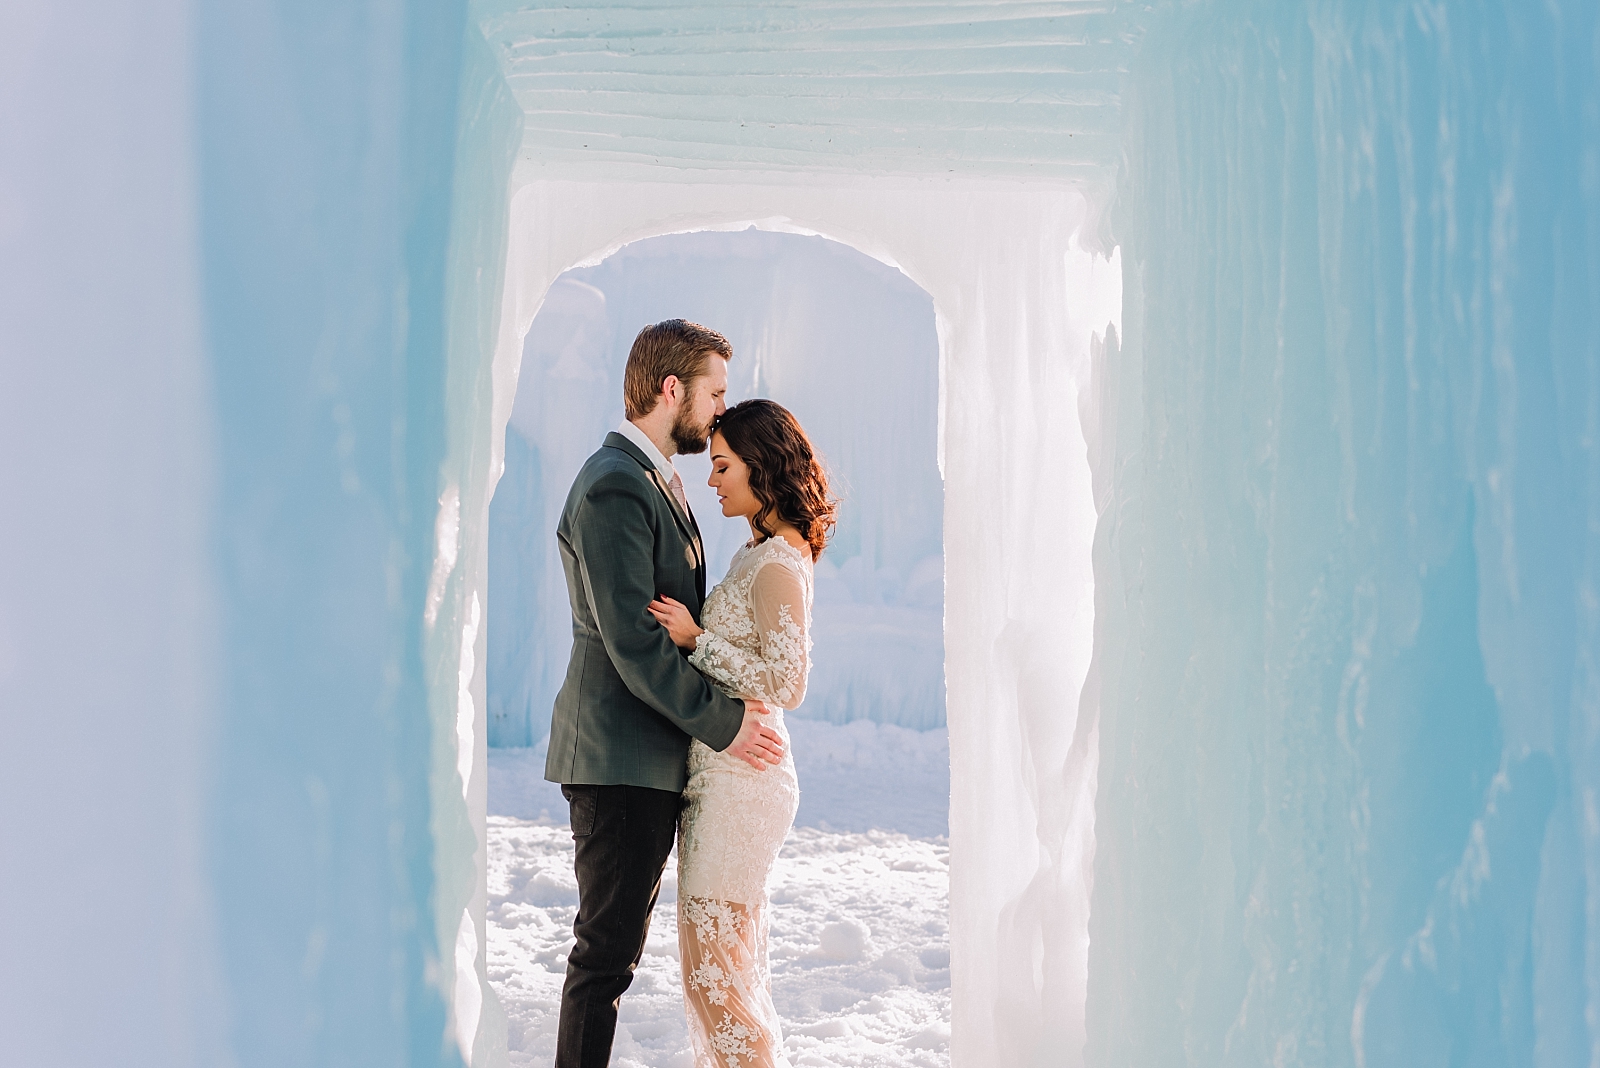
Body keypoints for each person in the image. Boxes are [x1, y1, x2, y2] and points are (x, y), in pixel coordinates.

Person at [547, 320, 786, 1068]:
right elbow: (633, 641)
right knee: (605, 957)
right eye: (714, 393)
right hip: (618, 758)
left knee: (613, 955)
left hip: (644, 759)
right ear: (671, 388)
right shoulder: (617, 483)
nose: (721, 411)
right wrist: (727, 726)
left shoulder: (650, 479)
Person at [647, 399, 837, 1068]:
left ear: (761, 466)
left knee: (716, 984)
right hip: (723, 776)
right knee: (719, 976)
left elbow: (788, 683)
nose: (712, 479)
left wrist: (698, 640)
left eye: (723, 465)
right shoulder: (761, 553)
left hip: (742, 785)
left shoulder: (779, 563)